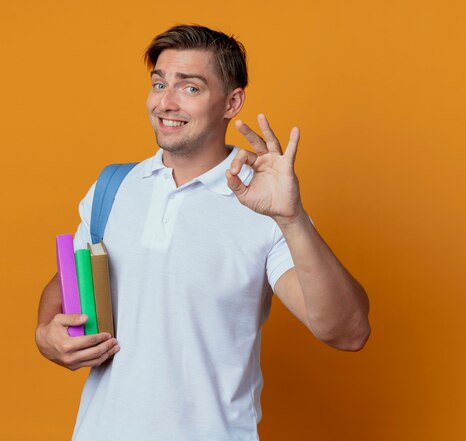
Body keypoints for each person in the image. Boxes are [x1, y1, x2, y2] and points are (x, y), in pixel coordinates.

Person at [35, 24, 370, 441]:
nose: (165, 102)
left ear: (232, 102)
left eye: (190, 88)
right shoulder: (113, 188)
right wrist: (47, 335)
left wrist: (292, 217)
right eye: (159, 83)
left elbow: (348, 331)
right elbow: (65, 287)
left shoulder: (265, 204)